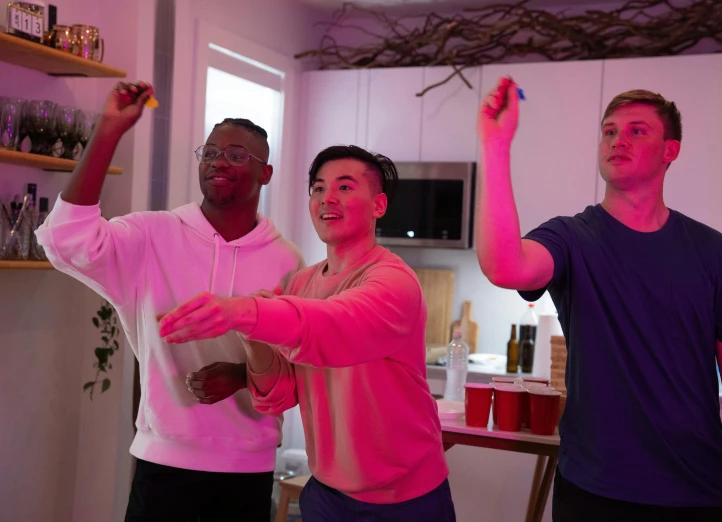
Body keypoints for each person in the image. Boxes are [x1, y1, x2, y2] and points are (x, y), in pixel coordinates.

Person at [475, 77, 722, 522]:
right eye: (610, 131)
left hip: (697, 492)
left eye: (637, 130)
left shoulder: (715, 254)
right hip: (593, 492)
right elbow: (505, 266)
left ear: (670, 150)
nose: (618, 140)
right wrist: (496, 146)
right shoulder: (571, 238)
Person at [35, 81, 303, 522]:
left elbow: (297, 372)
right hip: (163, 464)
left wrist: (241, 375)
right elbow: (65, 241)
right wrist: (108, 131)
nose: (219, 160)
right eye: (211, 151)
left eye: (238, 155)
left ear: (265, 173)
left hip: (248, 466)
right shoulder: (151, 234)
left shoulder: (287, 261)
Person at [158, 145, 457, 521]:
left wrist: (246, 312)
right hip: (327, 495)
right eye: (318, 188)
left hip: (405, 500)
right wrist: (253, 337)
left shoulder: (394, 281)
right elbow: (280, 394)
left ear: (379, 205)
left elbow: (334, 326)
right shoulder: (301, 282)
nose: (327, 198)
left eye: (345, 187)